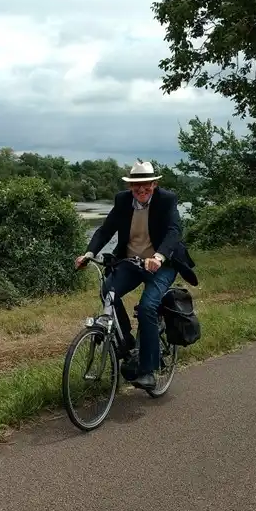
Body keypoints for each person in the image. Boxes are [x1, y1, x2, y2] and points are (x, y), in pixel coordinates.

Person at [75, 159, 198, 390]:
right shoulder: (123, 200)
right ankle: (128, 343)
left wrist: (159, 257)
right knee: (108, 291)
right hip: (131, 262)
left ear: (154, 184)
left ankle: (148, 370)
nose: (141, 189)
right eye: (136, 185)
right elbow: (105, 230)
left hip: (162, 264)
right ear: (130, 186)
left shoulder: (166, 199)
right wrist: (88, 254)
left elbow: (174, 231)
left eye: (146, 184)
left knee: (147, 307)